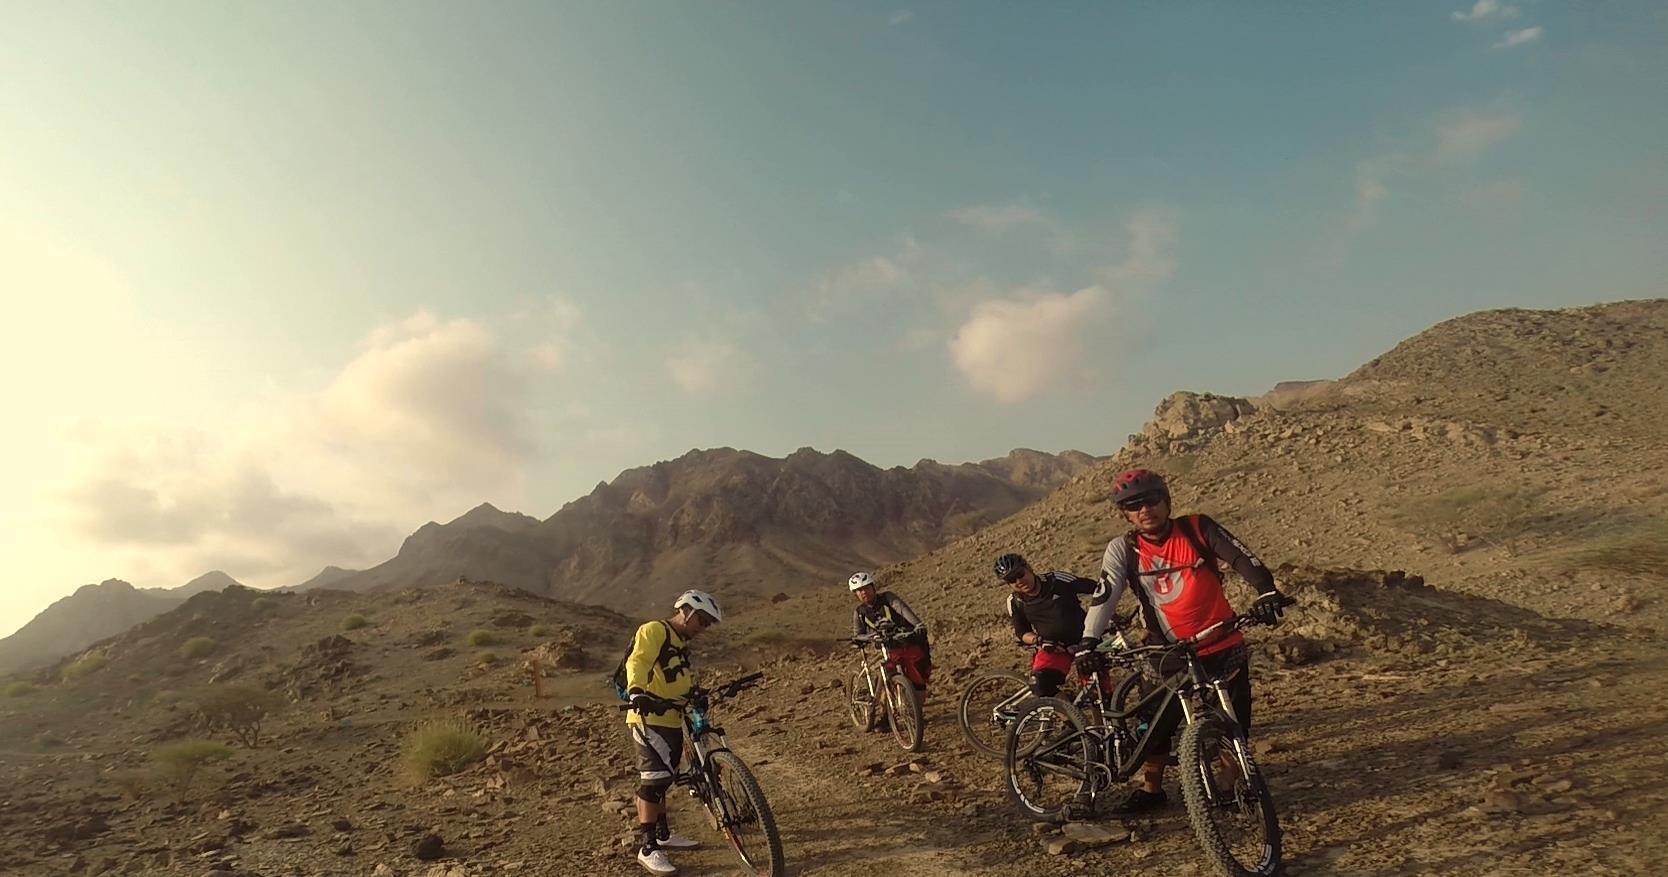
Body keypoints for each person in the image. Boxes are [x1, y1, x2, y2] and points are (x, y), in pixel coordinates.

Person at [1081, 468, 1290, 815]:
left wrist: (1265, 590)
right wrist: (1089, 641)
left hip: (1221, 643)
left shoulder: (1197, 528)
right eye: (1133, 505)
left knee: (1234, 720)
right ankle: (1152, 789)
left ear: (1167, 501)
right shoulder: (1123, 549)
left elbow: (1242, 558)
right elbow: (1107, 595)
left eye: (1151, 500)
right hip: (1165, 651)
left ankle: (1233, 781)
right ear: (1125, 514)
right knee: (1156, 723)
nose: (1144, 509)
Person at [622, 590, 723, 875]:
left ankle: (664, 835)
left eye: (708, 624)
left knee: (664, 778)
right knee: (654, 781)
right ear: (687, 612)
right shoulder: (655, 630)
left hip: (671, 716)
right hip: (648, 716)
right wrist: (637, 692)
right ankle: (648, 847)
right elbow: (638, 661)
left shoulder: (679, 642)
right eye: (702, 621)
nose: (703, 628)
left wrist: (694, 692)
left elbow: (678, 675)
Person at [997, 552, 1100, 698]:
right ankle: (1070, 718)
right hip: (1054, 647)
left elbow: (1097, 589)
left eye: (1020, 574)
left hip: (1084, 640)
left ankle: (1099, 720)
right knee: (1039, 684)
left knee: (1097, 693)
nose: (1018, 581)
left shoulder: (1058, 580)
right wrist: (1039, 640)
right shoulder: (1014, 602)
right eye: (1011, 580)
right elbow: (1022, 632)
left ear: (1029, 568)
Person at [849, 571, 932, 690]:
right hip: (886, 646)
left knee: (919, 673)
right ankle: (884, 701)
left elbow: (903, 610)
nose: (863, 592)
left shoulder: (888, 598)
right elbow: (858, 634)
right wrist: (870, 637)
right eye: (859, 590)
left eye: (866, 588)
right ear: (855, 594)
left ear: (873, 587)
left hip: (904, 640)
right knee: (886, 673)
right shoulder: (859, 612)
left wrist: (918, 624)